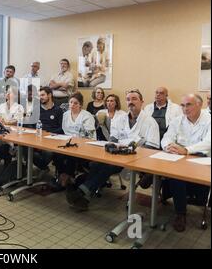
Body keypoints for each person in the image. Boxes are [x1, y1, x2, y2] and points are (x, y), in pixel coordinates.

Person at [66, 89, 160, 211]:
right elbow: (113, 138)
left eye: (134, 99)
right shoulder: (121, 119)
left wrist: (131, 150)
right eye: (128, 99)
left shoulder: (150, 122)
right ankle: (85, 195)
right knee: (96, 164)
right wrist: (112, 145)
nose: (130, 102)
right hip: (117, 154)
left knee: (108, 166)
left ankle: (82, 191)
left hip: (137, 158)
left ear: (142, 102)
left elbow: (152, 147)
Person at [161, 94, 211, 232]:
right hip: (178, 158)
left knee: (176, 176)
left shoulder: (209, 120)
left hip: (201, 160)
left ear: (199, 105)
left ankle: (180, 213)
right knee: (176, 174)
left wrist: (186, 150)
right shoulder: (177, 120)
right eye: (182, 105)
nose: (184, 108)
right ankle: (180, 212)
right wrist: (169, 146)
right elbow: (166, 137)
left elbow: (208, 143)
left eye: (188, 104)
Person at [54, 92, 96, 188]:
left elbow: (90, 136)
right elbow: (62, 130)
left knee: (70, 156)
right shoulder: (65, 115)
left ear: (80, 104)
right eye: (71, 102)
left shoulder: (86, 116)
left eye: (75, 103)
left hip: (83, 144)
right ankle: (63, 174)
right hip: (67, 142)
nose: (72, 105)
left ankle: (68, 176)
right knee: (56, 153)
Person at [0, 86, 24, 177]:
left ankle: (9, 162)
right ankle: (7, 159)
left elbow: (18, 120)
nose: (7, 94)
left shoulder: (19, 107)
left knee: (5, 145)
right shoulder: (1, 106)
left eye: (10, 93)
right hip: (1, 130)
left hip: (13, 132)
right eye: (7, 92)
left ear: (15, 95)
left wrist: (7, 122)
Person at [32, 87, 65, 176]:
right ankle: (43, 167)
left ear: (49, 95)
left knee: (49, 153)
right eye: (39, 96)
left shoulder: (58, 110)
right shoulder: (36, 109)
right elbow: (31, 126)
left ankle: (43, 167)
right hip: (37, 139)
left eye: (42, 95)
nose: (40, 97)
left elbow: (62, 128)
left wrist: (48, 133)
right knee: (25, 150)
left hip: (52, 140)